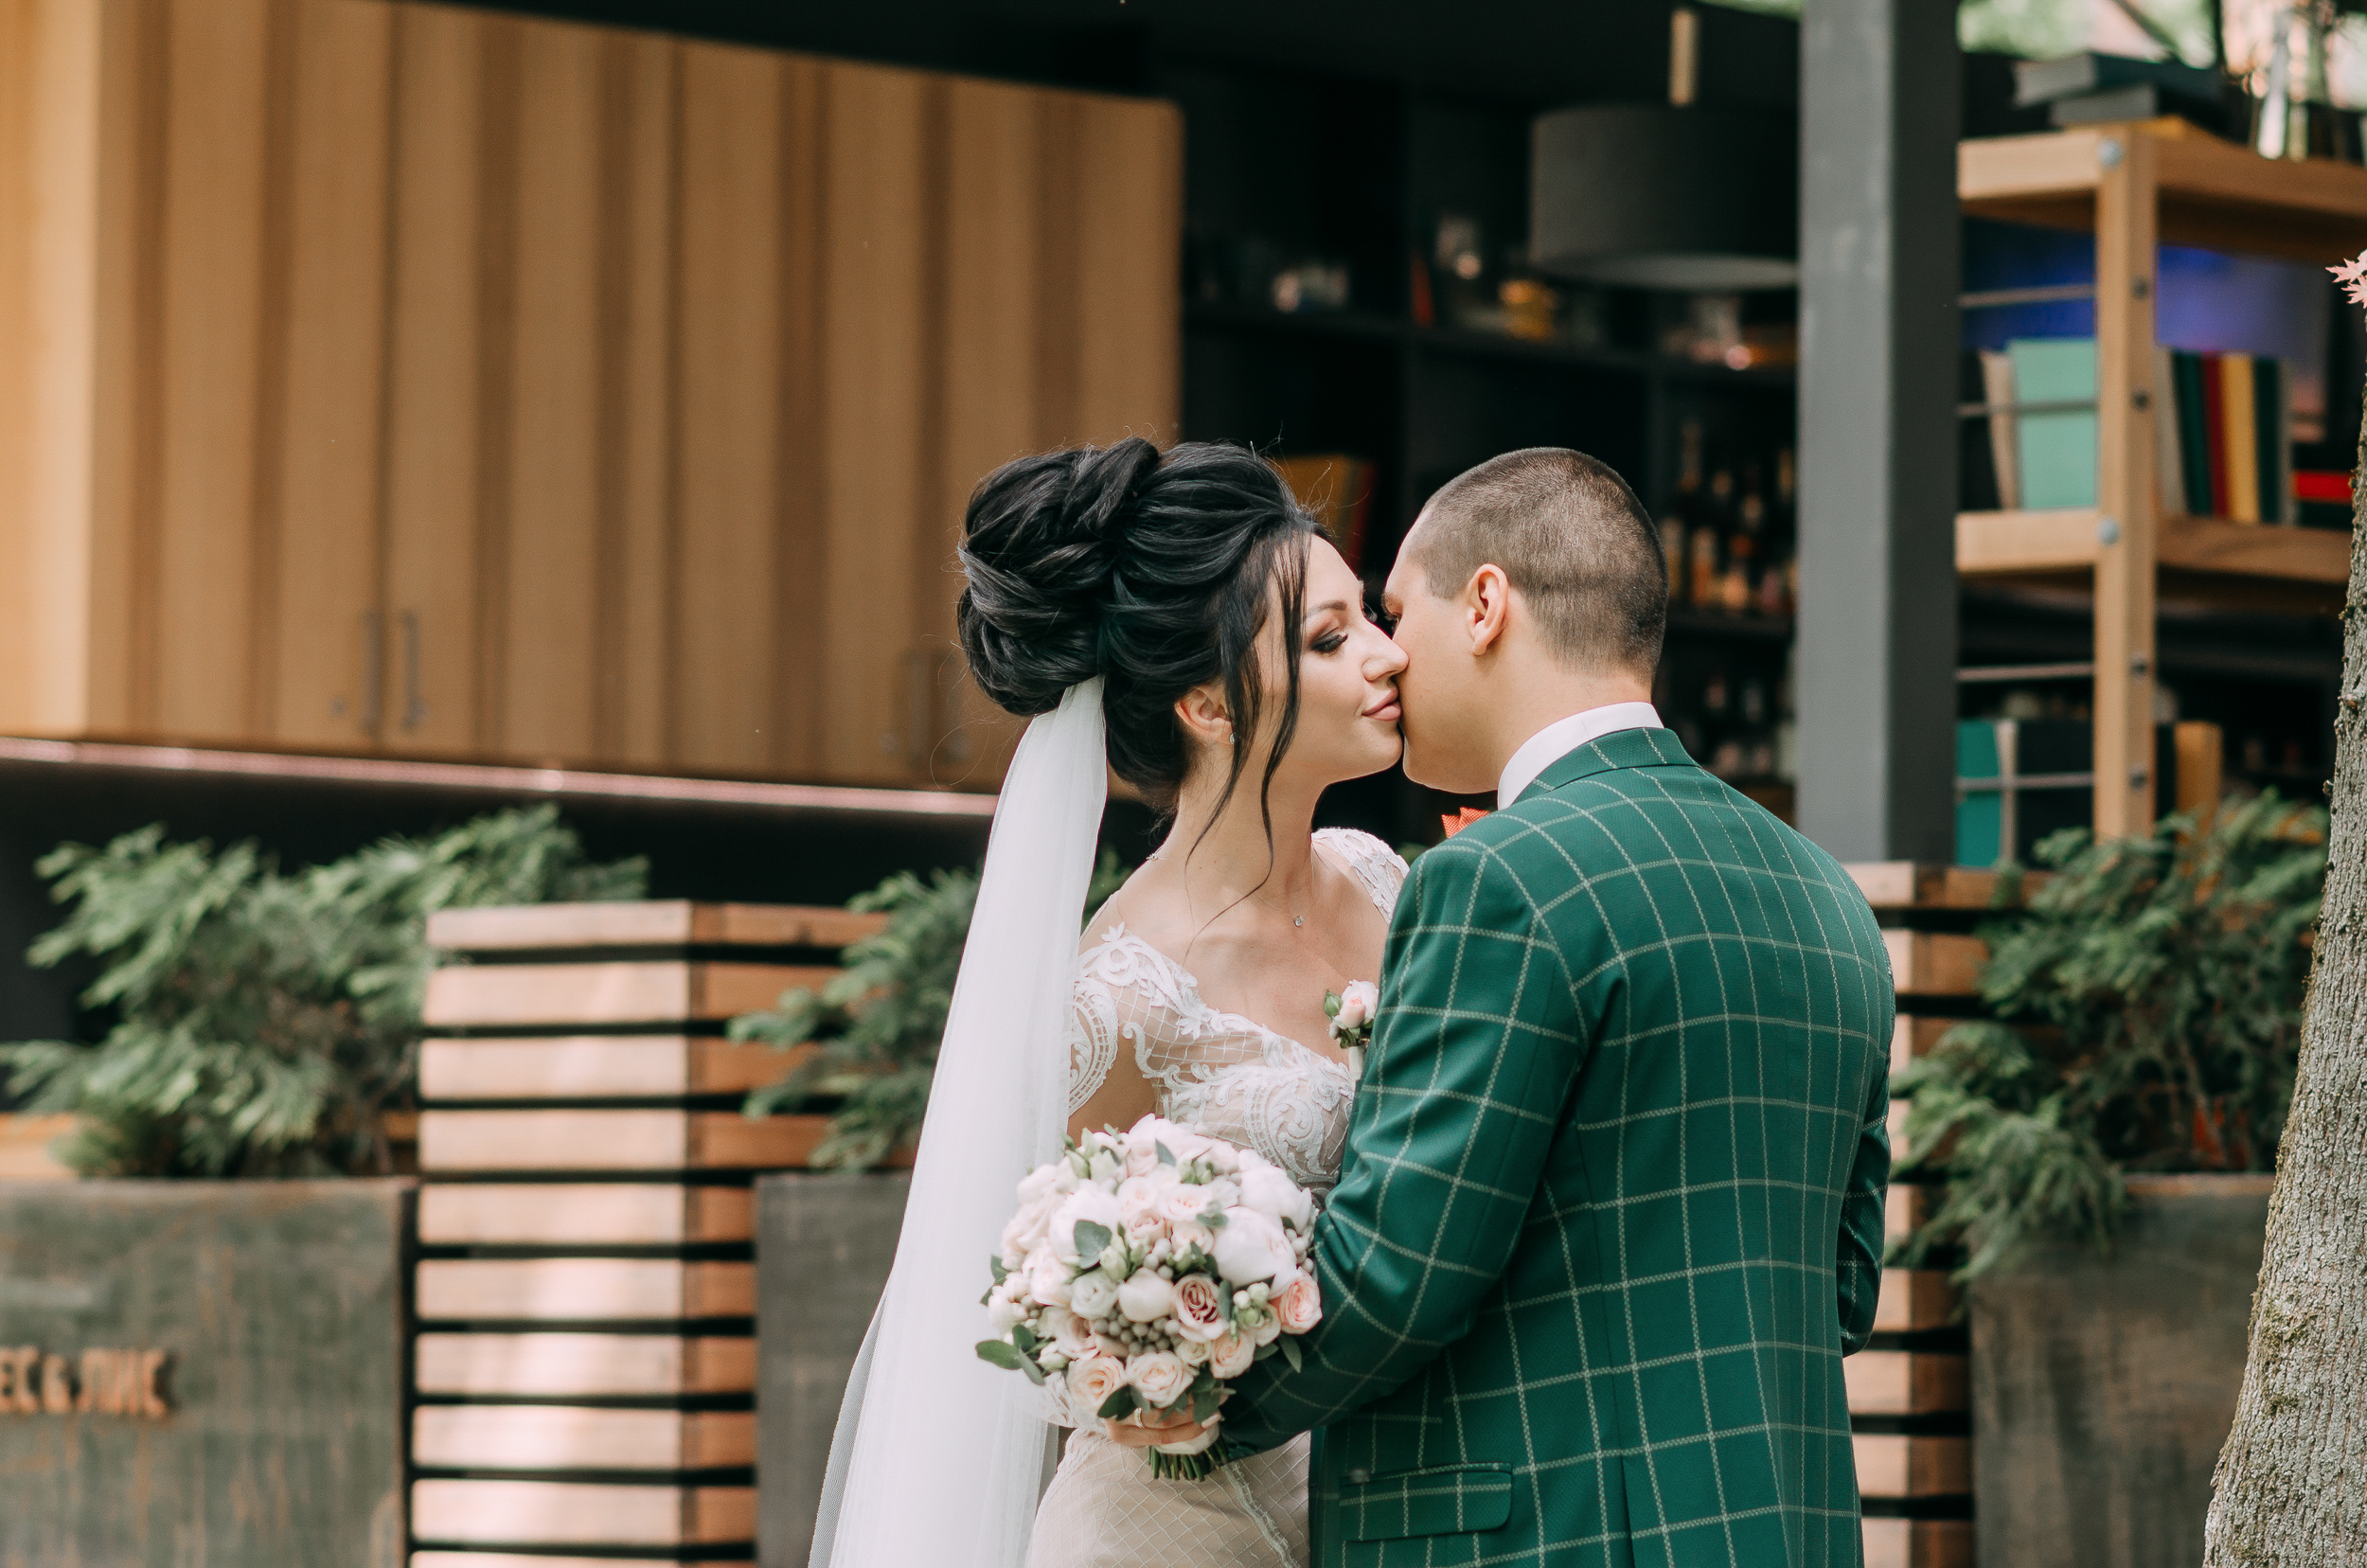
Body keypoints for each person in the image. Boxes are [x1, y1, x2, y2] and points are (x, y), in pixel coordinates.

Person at [1117, 447, 1895, 1568]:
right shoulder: (1826, 896)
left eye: (1394, 613)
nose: (1388, 657)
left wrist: (1188, 1405)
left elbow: (1399, 1275)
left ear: (1484, 606)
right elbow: (1841, 1290)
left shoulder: (1498, 881)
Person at [809, 437, 1413, 1568]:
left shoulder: (1386, 882)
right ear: (1209, 705)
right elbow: (1038, 1305)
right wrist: (1143, 1363)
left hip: (1379, 1502)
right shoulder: (1121, 996)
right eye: (1331, 640)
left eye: (1370, 618)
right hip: (1175, 1527)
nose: (1389, 656)